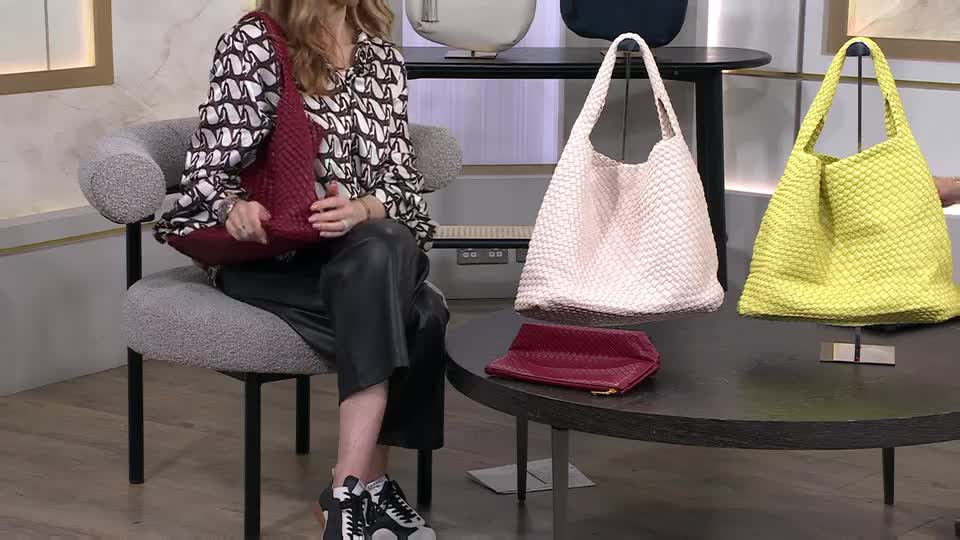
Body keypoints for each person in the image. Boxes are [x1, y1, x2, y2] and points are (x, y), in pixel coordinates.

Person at [154, 1, 445, 538]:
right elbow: (207, 172)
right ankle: (369, 488)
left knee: (383, 242)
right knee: (421, 309)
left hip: (360, 254)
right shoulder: (257, 44)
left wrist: (363, 207)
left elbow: (403, 190)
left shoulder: (382, 59)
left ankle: (346, 492)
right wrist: (232, 208)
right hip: (277, 258)